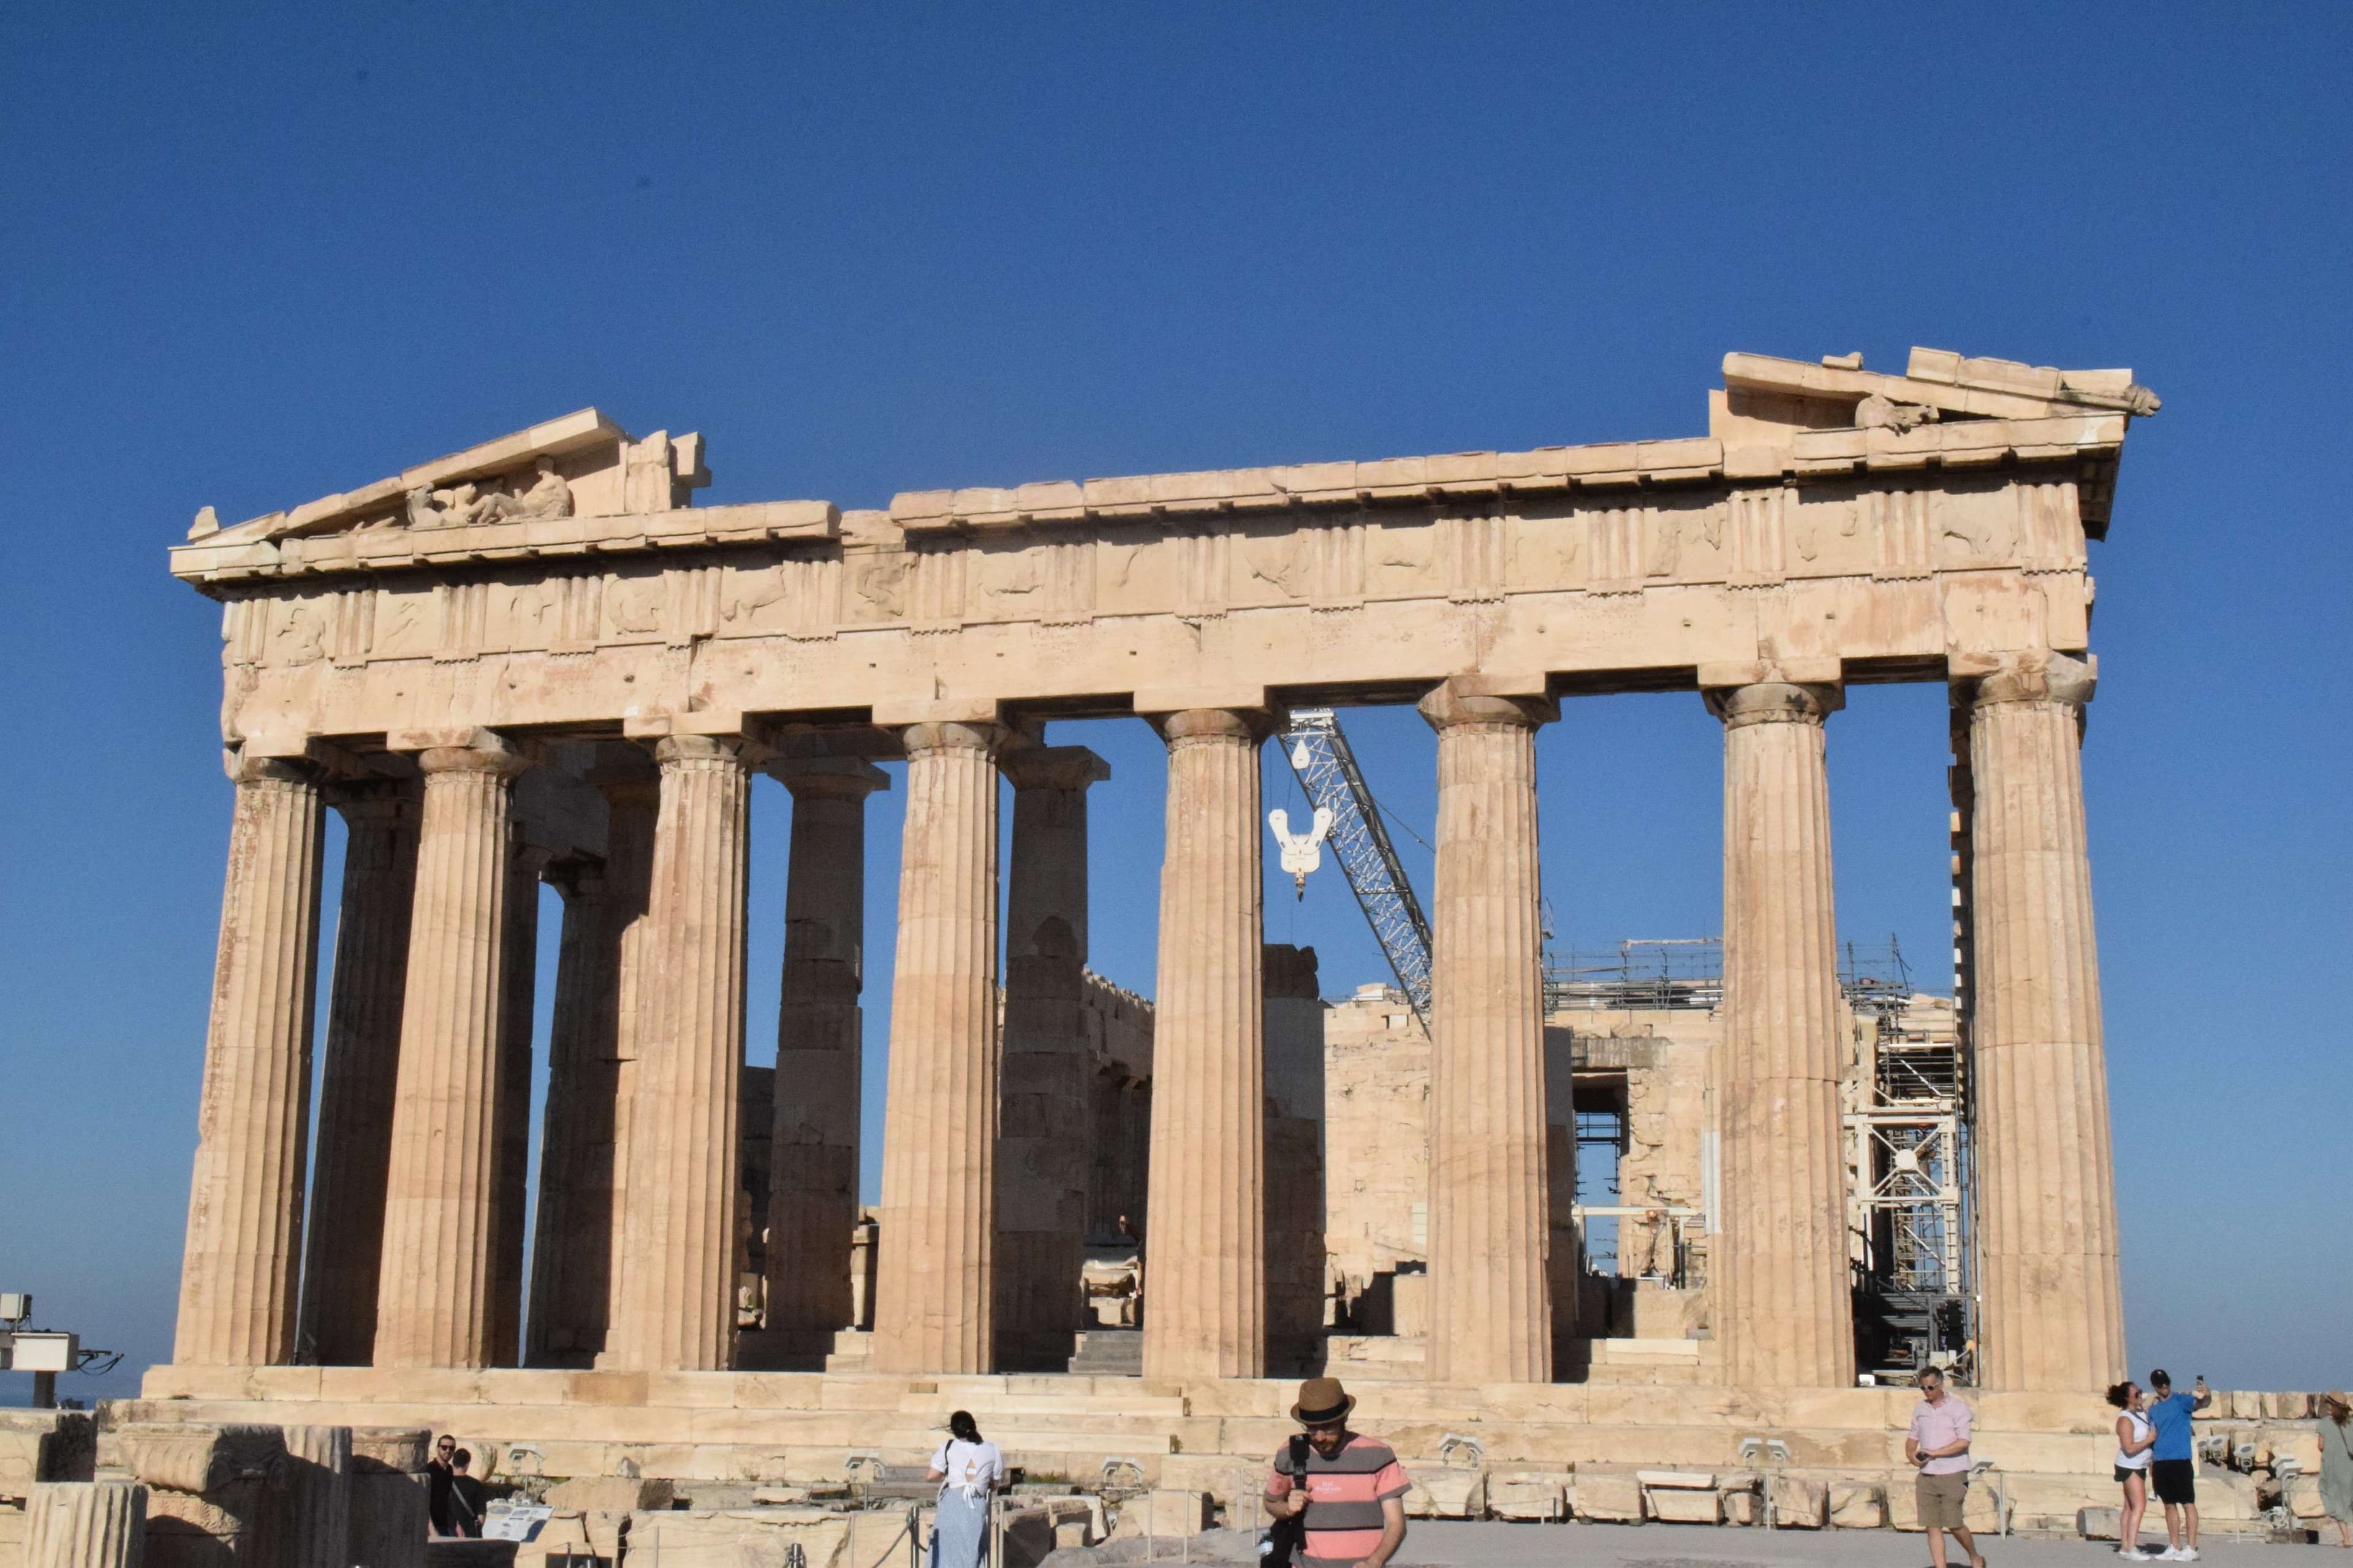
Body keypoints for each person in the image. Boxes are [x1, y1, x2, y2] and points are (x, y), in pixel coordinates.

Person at [1262, 1377, 1408, 1568]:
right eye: (1313, 1428)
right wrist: (1287, 1509)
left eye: (1328, 1427)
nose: (1320, 1437)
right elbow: (1271, 1502)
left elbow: (1397, 1523)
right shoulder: (1291, 1452)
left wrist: (1375, 1561)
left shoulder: (1378, 1455)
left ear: (1344, 1418)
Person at [1906, 1366, 1984, 1568]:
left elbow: (1964, 1441)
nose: (1927, 1392)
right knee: (1932, 1526)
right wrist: (1911, 1455)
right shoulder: (1920, 1409)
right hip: (1927, 1475)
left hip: (1953, 1473)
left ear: (1941, 1385)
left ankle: (1975, 1556)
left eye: (1930, 1387)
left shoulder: (1958, 1409)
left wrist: (1935, 1452)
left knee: (1955, 1523)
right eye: (1923, 1388)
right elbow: (1912, 1437)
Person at [2144, 1369, 2213, 1561]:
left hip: (2180, 1460)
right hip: (2161, 1462)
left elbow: (2202, 1404)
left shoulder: (2181, 1401)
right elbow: (2153, 1436)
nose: (2164, 1386)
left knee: (2188, 1503)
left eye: (2166, 1382)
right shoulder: (2154, 1410)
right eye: (2160, 1384)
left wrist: (2207, 1395)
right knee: (2169, 1505)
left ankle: (2191, 1548)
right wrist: (2151, 1462)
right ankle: (2175, 1545)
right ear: (2155, 1386)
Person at [925, 1411, 1003, 1568]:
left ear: (953, 1429)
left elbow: (932, 1475)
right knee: (973, 1548)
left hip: (952, 1502)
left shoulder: (948, 1446)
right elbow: (995, 1482)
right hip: (977, 1503)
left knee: (946, 1548)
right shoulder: (992, 1449)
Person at [2109, 1381, 2158, 1559]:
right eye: (2137, 1394)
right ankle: (2132, 1548)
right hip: (2130, 1465)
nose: (2141, 1396)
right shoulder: (2125, 1419)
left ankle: (2125, 1546)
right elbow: (2128, 1448)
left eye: (2141, 1392)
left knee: (2129, 1507)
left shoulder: (2138, 1413)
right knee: (2139, 1505)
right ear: (2127, 1398)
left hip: (2140, 1464)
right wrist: (2150, 1439)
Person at [2318, 1392, 2353, 1550]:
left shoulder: (2325, 1423)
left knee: (2336, 1501)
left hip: (2332, 1468)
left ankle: (2346, 1539)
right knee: (2349, 1500)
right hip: (2349, 1466)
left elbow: (2320, 1446)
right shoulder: (2351, 1422)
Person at [447, 1449, 489, 1539]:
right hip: (470, 1534)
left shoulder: (443, 1483)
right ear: (467, 1464)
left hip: (449, 1533)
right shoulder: (477, 1485)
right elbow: (482, 1513)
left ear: (453, 1462)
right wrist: (476, 1530)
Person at [425, 1434, 459, 1537]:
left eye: (452, 1448)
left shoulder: (449, 1470)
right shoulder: (429, 1470)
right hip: (431, 1527)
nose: (448, 1451)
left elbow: (448, 1498)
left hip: (445, 1525)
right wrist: (432, 1529)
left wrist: (457, 1523)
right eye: (444, 1447)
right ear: (437, 1449)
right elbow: (424, 1502)